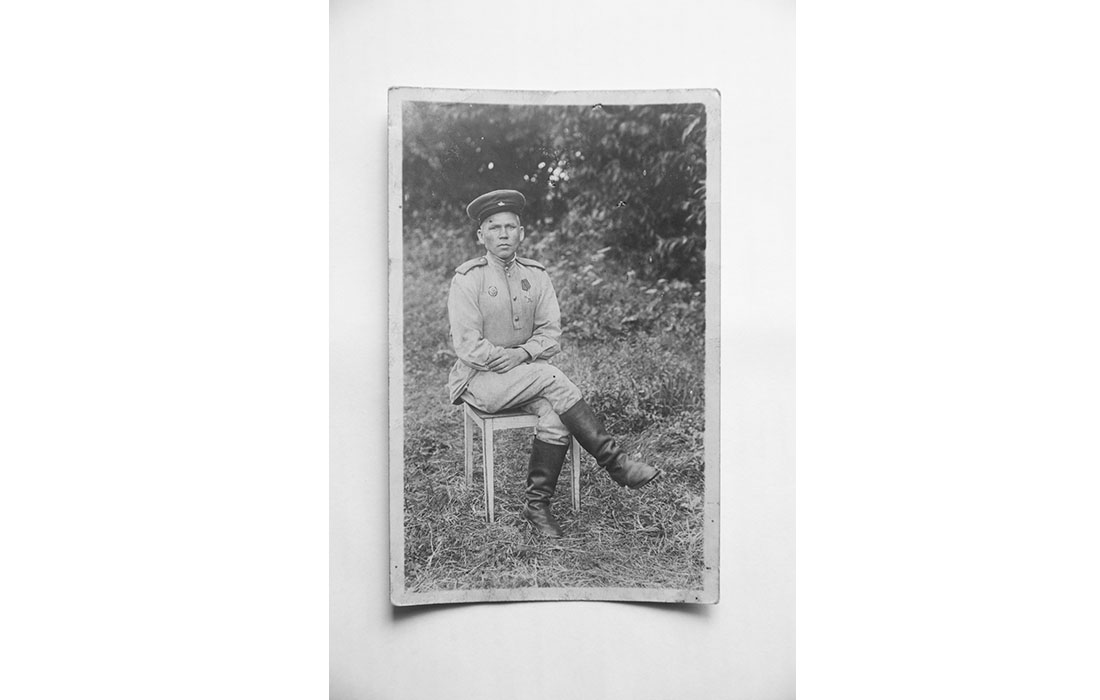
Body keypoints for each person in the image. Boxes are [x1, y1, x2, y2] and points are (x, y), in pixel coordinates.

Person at [447, 188, 660, 539]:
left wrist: (521, 354)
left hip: (525, 376)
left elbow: (550, 334)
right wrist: (513, 359)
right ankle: (617, 463)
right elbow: (468, 346)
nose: (503, 234)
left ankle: (537, 505)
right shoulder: (468, 279)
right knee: (551, 377)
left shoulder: (537, 275)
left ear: (522, 233)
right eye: (494, 227)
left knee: (555, 414)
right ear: (480, 235)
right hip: (480, 379)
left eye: (510, 227)